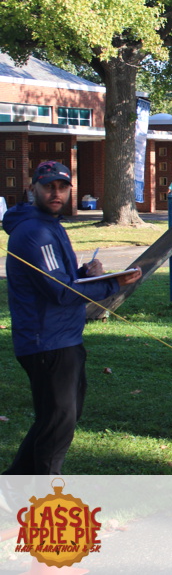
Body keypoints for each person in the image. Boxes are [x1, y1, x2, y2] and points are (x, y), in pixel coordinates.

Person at [3, 161, 141, 475]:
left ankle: (12, 484)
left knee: (61, 417)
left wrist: (86, 273)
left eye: (62, 187)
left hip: (65, 337)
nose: (56, 193)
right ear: (32, 189)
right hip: (46, 342)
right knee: (58, 423)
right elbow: (61, 292)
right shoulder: (35, 232)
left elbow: (60, 280)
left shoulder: (50, 224)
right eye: (48, 186)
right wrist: (113, 284)